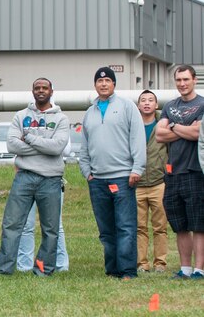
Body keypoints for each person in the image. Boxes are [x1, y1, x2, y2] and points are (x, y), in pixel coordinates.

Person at [0, 78, 69, 276]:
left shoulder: (61, 119)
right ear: (32, 91)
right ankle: (4, 270)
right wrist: (44, 145)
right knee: (12, 224)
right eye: (37, 88)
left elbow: (57, 148)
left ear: (51, 91)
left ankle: (43, 270)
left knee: (50, 229)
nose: (41, 91)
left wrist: (28, 137)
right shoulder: (21, 116)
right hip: (24, 178)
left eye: (44, 88)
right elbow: (12, 145)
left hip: (51, 180)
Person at [79, 66, 146, 280]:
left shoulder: (126, 107)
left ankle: (127, 271)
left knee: (125, 226)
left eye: (108, 80)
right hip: (97, 179)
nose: (104, 84)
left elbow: (137, 138)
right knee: (106, 230)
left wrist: (137, 168)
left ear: (114, 84)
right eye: (100, 81)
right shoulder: (90, 112)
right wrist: (87, 172)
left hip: (123, 177)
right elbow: (84, 146)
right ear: (95, 85)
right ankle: (113, 269)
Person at [156, 64, 204, 280]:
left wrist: (173, 126)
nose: (182, 84)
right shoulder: (169, 105)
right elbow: (159, 135)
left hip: (195, 171)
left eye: (186, 79)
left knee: (198, 224)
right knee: (180, 224)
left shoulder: (202, 104)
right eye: (179, 80)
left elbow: (198, 133)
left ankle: (199, 270)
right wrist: (184, 128)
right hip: (173, 173)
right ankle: (185, 268)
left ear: (194, 80)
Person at [17, 134, 72, 272]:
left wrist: (34, 143)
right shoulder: (25, 119)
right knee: (26, 225)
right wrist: (48, 146)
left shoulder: (58, 121)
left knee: (55, 225)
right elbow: (16, 147)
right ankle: (24, 265)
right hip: (26, 177)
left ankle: (61, 264)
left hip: (52, 179)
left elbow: (65, 150)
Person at [135, 89, 168, 273]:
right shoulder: (132, 125)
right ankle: (141, 263)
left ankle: (160, 263)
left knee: (160, 226)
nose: (147, 103)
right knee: (139, 227)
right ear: (138, 105)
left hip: (158, 183)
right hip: (137, 184)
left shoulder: (163, 125)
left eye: (150, 100)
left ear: (156, 105)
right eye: (143, 100)